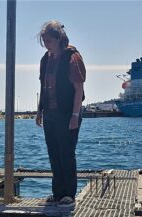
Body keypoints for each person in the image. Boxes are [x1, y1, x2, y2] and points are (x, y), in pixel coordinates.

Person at [35, 20, 86, 206]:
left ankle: (69, 194)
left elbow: (78, 88)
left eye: (48, 40)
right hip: (50, 113)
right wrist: (39, 111)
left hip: (68, 113)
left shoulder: (72, 57)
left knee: (66, 152)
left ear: (58, 38)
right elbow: (43, 86)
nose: (46, 44)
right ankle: (57, 193)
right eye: (44, 41)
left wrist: (74, 116)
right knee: (54, 153)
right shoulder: (46, 59)